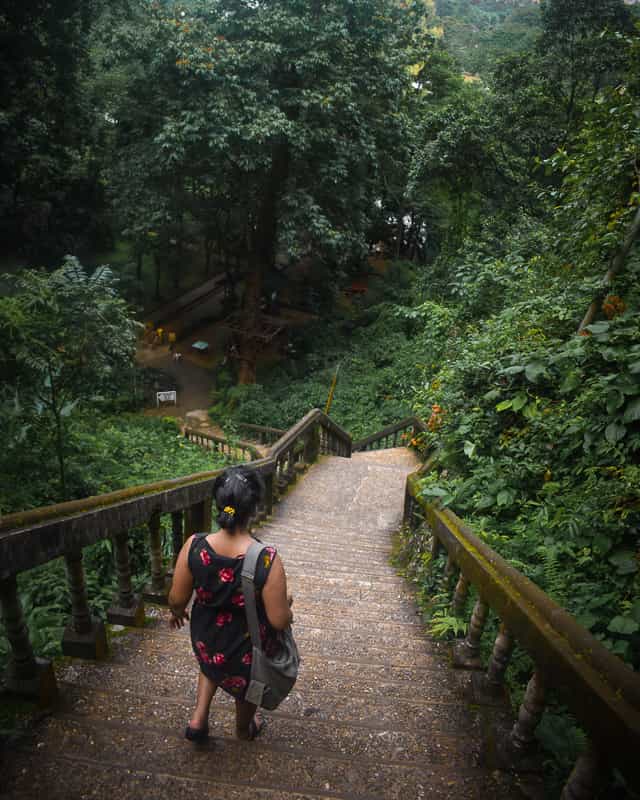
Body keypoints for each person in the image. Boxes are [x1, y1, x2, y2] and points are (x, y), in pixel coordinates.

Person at [168, 466, 293, 742]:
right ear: (254, 508)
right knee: (248, 679)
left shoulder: (195, 546)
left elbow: (177, 598)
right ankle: (243, 727)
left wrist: (177, 612)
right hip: (245, 648)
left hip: (208, 639)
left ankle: (198, 719)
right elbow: (278, 620)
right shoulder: (266, 559)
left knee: (214, 662)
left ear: (219, 503)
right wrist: (287, 606)